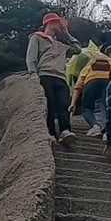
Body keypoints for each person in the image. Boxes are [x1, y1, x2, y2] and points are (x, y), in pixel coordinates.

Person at [26, 12, 78, 146]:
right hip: (45, 74)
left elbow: (78, 50)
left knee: (63, 105)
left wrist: (66, 33)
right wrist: (33, 74)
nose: (59, 25)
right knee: (49, 105)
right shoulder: (37, 37)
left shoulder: (61, 44)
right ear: (49, 23)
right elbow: (31, 58)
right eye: (57, 22)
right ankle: (50, 133)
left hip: (60, 77)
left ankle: (65, 131)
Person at [69, 44, 111, 137]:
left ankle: (95, 126)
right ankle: (107, 132)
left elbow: (79, 84)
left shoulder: (90, 63)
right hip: (107, 82)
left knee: (87, 108)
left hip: (90, 82)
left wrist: (73, 103)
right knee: (106, 108)